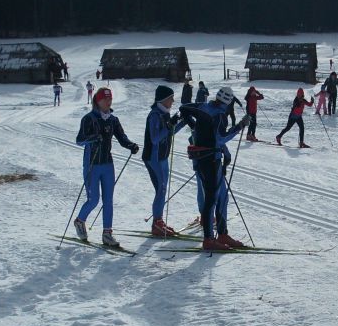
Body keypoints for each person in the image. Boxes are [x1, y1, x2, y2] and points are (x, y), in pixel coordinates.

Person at [181, 86, 249, 251]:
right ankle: (209, 239)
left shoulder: (203, 107)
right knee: (213, 198)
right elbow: (220, 139)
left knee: (218, 197)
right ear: (227, 102)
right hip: (211, 160)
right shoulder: (219, 115)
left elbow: (183, 107)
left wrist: (195, 127)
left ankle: (221, 233)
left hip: (201, 159)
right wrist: (239, 126)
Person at [74, 88, 139, 247]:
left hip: (107, 164)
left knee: (108, 200)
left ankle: (107, 234)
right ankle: (80, 221)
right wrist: (93, 138)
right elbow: (79, 140)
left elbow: (121, 137)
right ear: (98, 101)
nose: (108, 102)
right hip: (92, 164)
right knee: (94, 199)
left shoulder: (113, 120)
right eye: (105, 100)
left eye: (110, 99)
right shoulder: (88, 119)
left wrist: (131, 145)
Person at [143, 85, 188, 236]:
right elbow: (155, 138)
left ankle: (159, 221)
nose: (173, 101)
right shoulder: (154, 115)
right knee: (160, 189)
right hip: (153, 158)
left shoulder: (165, 113)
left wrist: (182, 122)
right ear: (163, 100)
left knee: (163, 190)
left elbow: (169, 133)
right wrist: (170, 124)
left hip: (163, 157)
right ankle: (157, 223)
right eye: (170, 98)